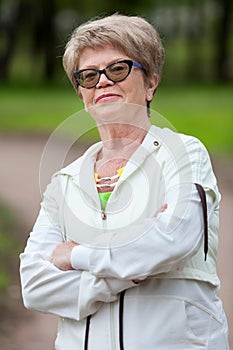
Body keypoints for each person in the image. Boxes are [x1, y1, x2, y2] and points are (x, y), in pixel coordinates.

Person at [20, 14, 230, 350]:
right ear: (82, 96)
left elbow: (171, 243)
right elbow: (33, 285)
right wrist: (129, 270)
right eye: (88, 76)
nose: (102, 82)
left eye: (117, 69)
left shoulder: (184, 153)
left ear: (150, 84)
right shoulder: (65, 180)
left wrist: (76, 255)